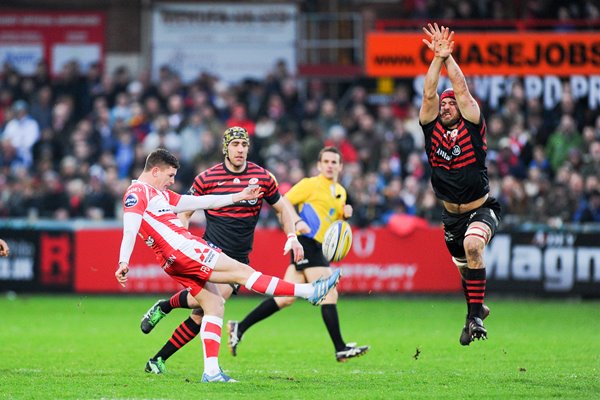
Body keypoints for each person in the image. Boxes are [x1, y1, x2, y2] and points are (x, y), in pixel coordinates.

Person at [115, 147, 341, 382]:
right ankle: (310, 291)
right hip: (184, 249)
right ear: (155, 171)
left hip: (173, 258)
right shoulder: (137, 191)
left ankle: (211, 372)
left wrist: (236, 197)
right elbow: (130, 226)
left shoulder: (159, 194)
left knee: (214, 304)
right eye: (170, 176)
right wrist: (123, 261)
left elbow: (201, 200)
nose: (172, 182)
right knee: (245, 273)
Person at [140, 126, 305, 374]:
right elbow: (185, 210)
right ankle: (198, 367)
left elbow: (282, 208)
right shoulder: (207, 178)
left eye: (244, 145)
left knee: (200, 310)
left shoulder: (263, 177)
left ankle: (162, 331)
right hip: (212, 250)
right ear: (225, 148)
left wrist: (292, 236)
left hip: (239, 255)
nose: (240, 149)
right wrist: (181, 239)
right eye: (235, 145)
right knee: (212, 305)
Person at [227, 146, 369, 362]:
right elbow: (283, 202)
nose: (330, 165)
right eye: (326, 161)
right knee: (328, 293)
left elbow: (333, 225)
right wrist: (297, 221)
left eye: (334, 162)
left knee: (285, 298)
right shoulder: (309, 184)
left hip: (319, 246)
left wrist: (345, 215)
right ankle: (340, 348)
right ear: (319, 165)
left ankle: (239, 327)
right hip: (306, 243)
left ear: (340, 166)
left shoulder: (340, 191)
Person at [419, 23, 501, 346]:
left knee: (473, 246)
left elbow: (462, 89)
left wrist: (447, 57)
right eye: (445, 103)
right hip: (450, 216)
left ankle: (476, 317)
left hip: (480, 209)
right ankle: (474, 312)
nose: (447, 105)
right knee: (466, 272)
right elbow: (428, 93)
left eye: (451, 102)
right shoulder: (431, 130)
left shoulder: (473, 127)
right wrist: (435, 61)